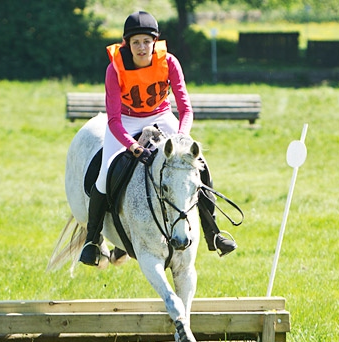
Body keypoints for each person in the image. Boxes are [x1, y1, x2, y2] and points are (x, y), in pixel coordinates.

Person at [79, 10, 237, 266]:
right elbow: (113, 120)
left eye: (146, 42)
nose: (141, 48)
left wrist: (182, 137)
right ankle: (92, 239)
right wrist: (132, 146)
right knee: (104, 173)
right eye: (135, 42)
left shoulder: (170, 62)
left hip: (161, 114)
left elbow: (186, 109)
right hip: (126, 120)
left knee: (200, 164)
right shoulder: (114, 69)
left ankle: (213, 232)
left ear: (155, 42)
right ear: (126, 44)